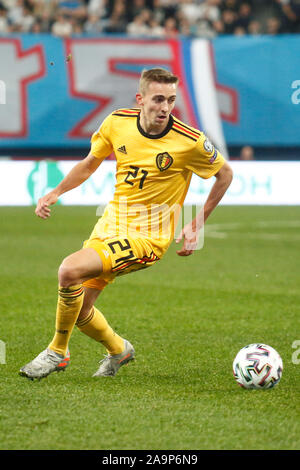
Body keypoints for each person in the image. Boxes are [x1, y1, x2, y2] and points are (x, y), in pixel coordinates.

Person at [19, 68, 233, 380]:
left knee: (69, 270)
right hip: (110, 226)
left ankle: (56, 352)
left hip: (147, 239)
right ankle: (119, 350)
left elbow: (224, 174)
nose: (165, 107)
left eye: (171, 100)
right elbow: (90, 162)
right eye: (158, 99)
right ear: (141, 98)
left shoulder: (190, 142)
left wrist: (197, 222)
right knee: (79, 311)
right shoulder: (117, 122)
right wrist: (56, 192)